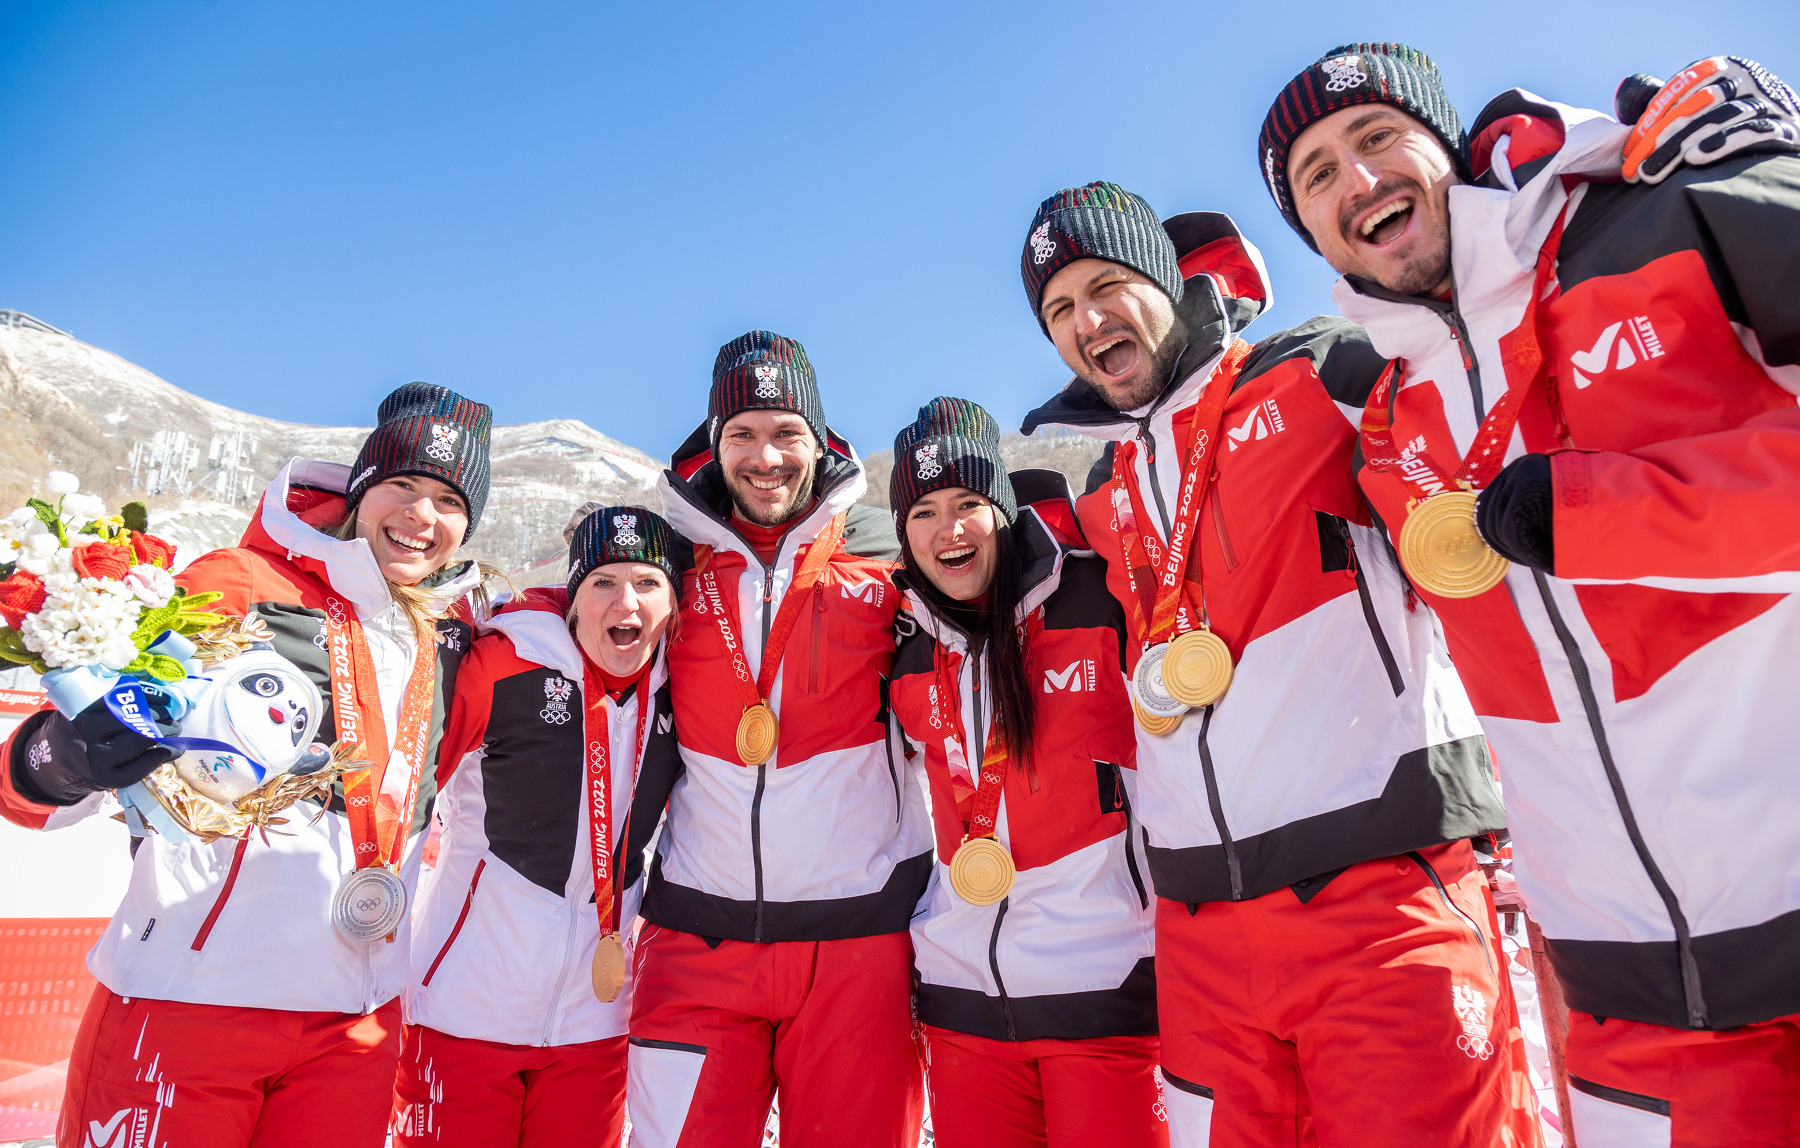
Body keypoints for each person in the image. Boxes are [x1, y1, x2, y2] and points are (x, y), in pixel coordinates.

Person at [1260, 41, 1800, 1143]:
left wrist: (1606, 511)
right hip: (1622, 982)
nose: (1356, 182)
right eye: (1316, 175)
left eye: (1375, 139)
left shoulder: (1640, 229)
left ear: (1445, 148)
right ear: (1311, 232)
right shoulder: (1387, 426)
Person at [1017, 184, 1539, 1147]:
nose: (1087, 321)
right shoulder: (1105, 485)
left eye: (1105, 284)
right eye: (1057, 309)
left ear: (1169, 279)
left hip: (1380, 891)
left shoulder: (1317, 375)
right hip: (1200, 928)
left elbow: (1473, 434)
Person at [1, 383, 492, 1147]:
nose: (421, 516)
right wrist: (58, 760)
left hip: (355, 1023)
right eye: (402, 485)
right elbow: (71, 747)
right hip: (191, 1004)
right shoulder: (238, 582)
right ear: (362, 490)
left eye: (449, 500)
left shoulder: (449, 641)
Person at [626, 331, 931, 1147]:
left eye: (786, 432)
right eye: (743, 434)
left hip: (858, 946)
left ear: (821, 440)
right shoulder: (668, 574)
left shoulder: (890, 571)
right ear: (714, 444)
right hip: (696, 941)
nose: (766, 457)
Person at [884, 397, 1165, 1148]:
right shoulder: (904, 641)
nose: (950, 530)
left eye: (970, 503)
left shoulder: (1096, 592)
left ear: (1003, 508)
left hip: (1107, 993)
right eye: (924, 513)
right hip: (963, 1005)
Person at [393, 505, 687, 1147]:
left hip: (597, 1017)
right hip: (466, 1008)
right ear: (573, 597)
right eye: (603, 582)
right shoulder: (506, 662)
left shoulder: (682, 690)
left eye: (647, 582)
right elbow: (402, 782)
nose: (625, 603)